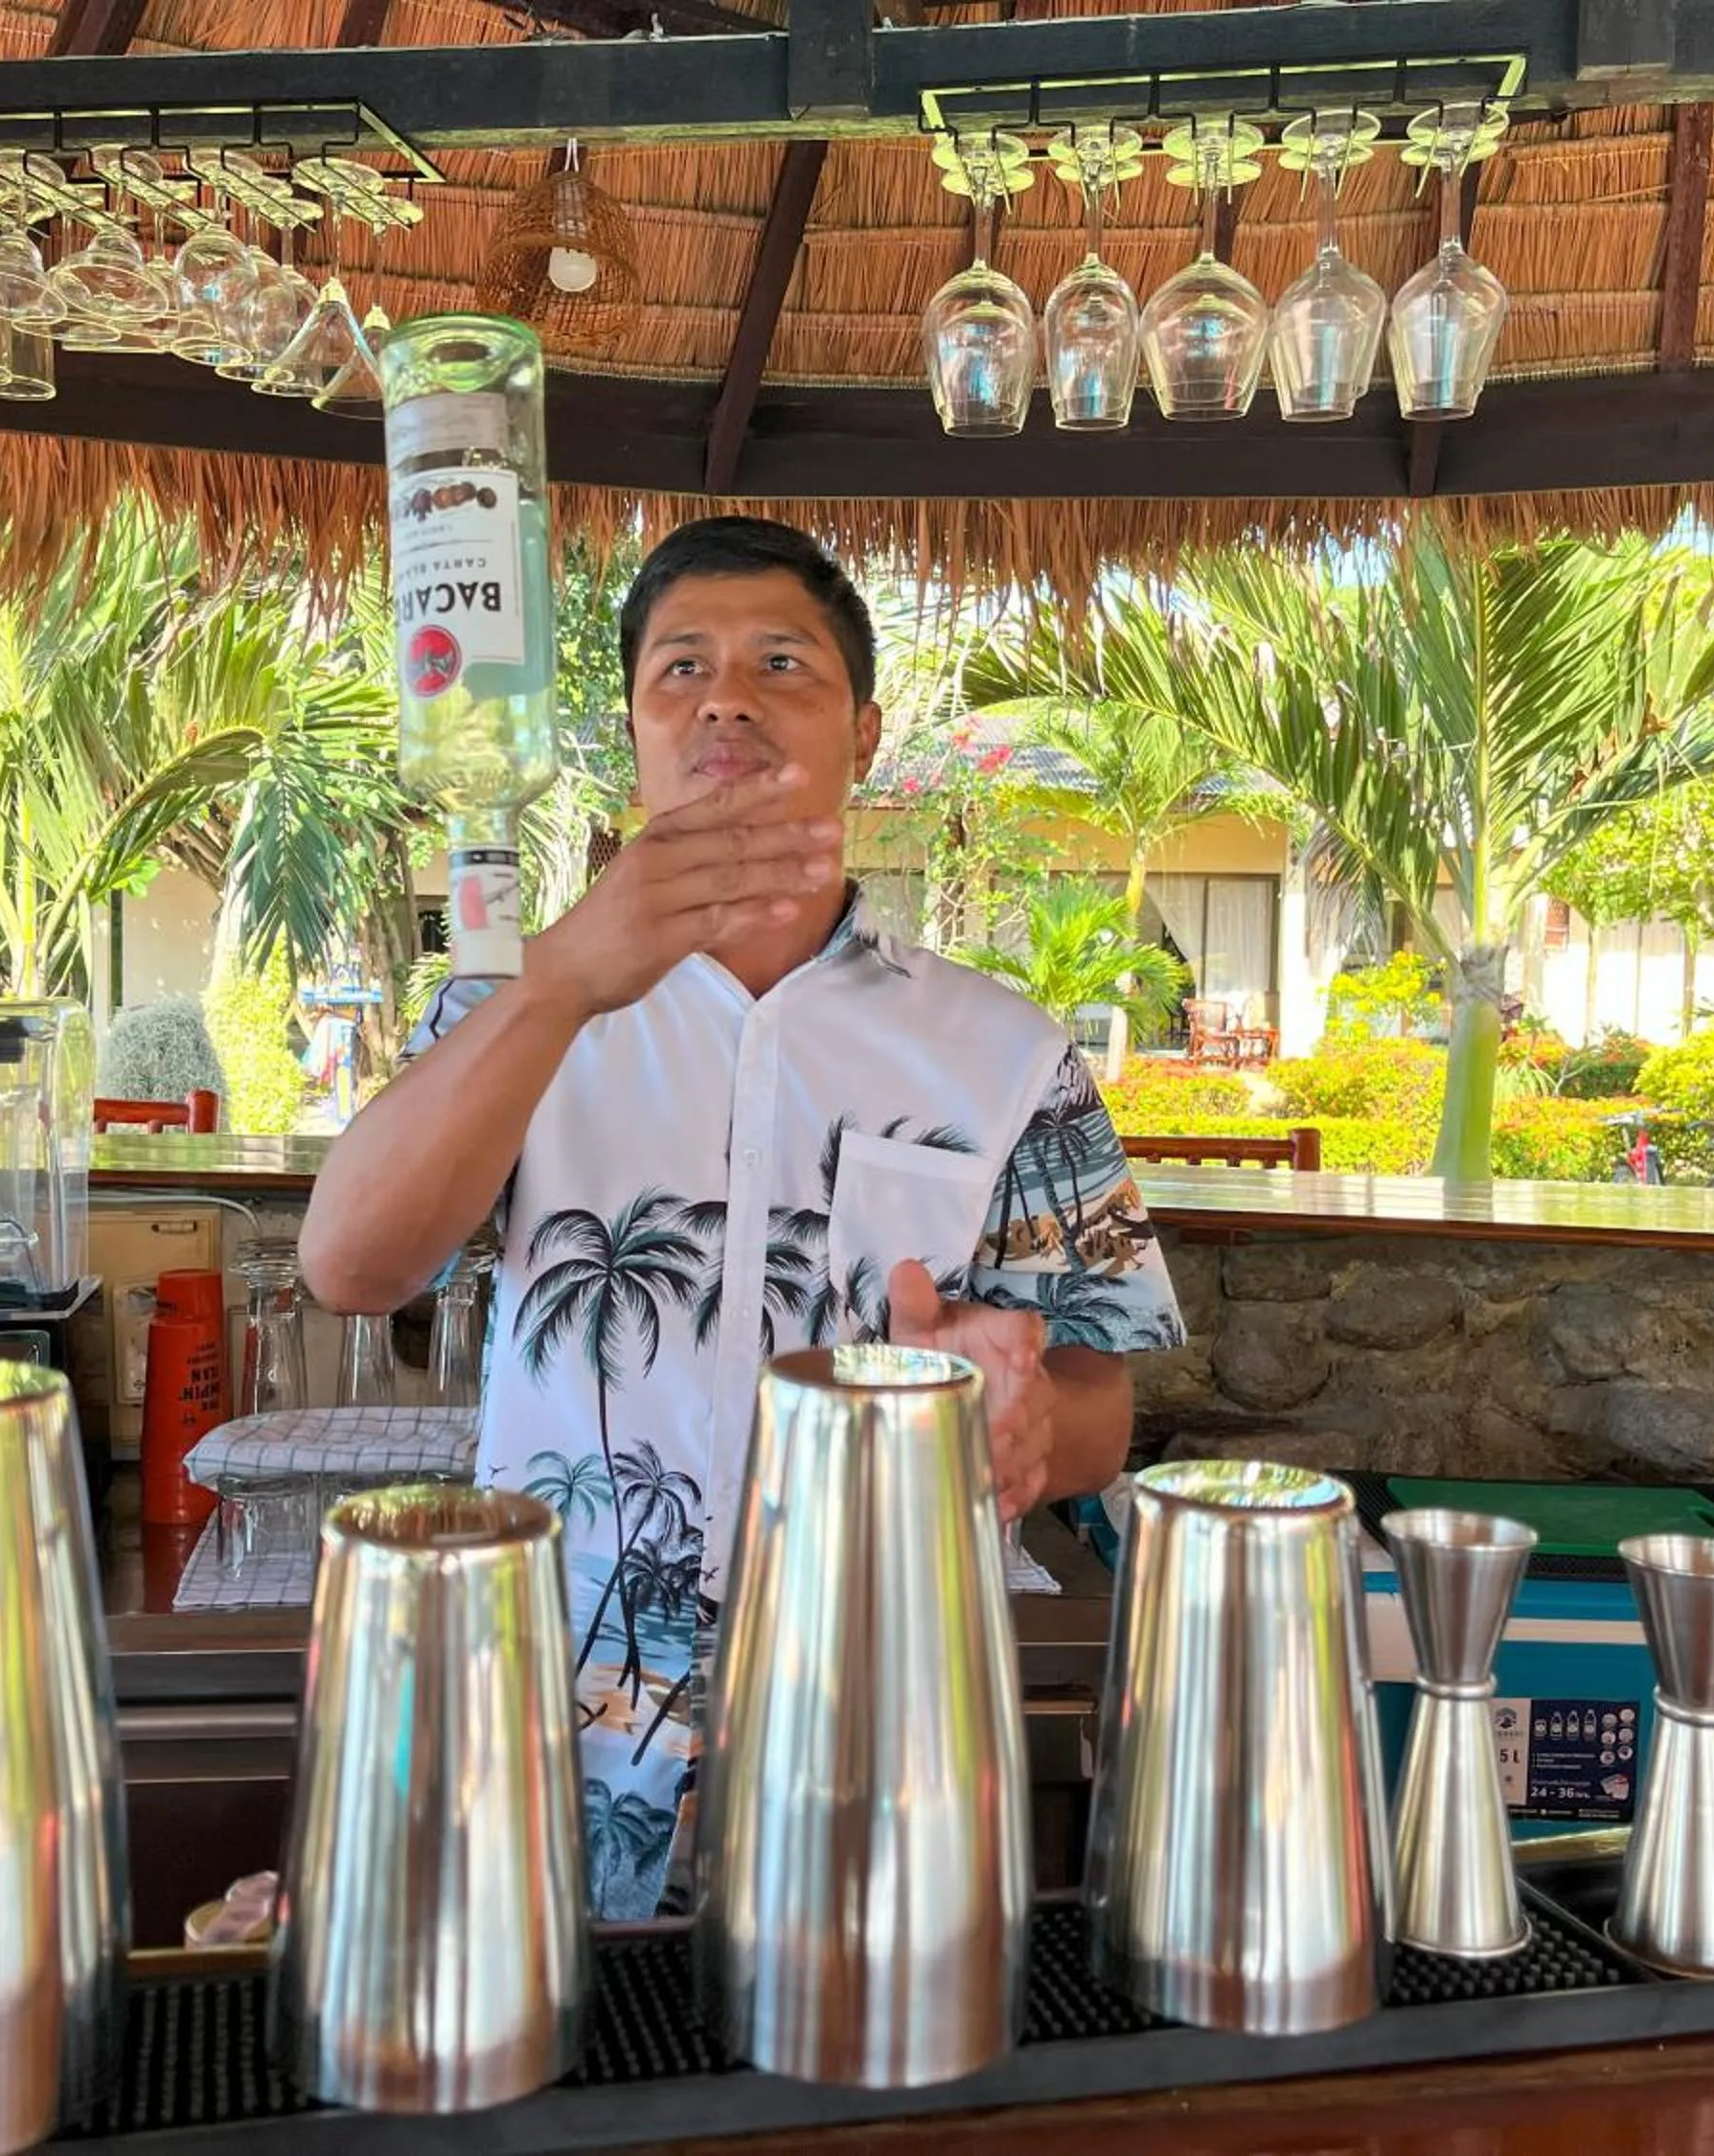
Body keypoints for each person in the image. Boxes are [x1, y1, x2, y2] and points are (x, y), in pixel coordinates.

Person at [301, 516, 1183, 1918]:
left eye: (784, 664)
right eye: (681, 671)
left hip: (884, 1721)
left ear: (867, 732)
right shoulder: (506, 1013)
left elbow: (1099, 1407)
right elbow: (349, 1263)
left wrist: (1022, 1433)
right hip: (546, 1723)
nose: (726, 698)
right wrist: (556, 978)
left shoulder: (1009, 1053)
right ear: (633, 729)